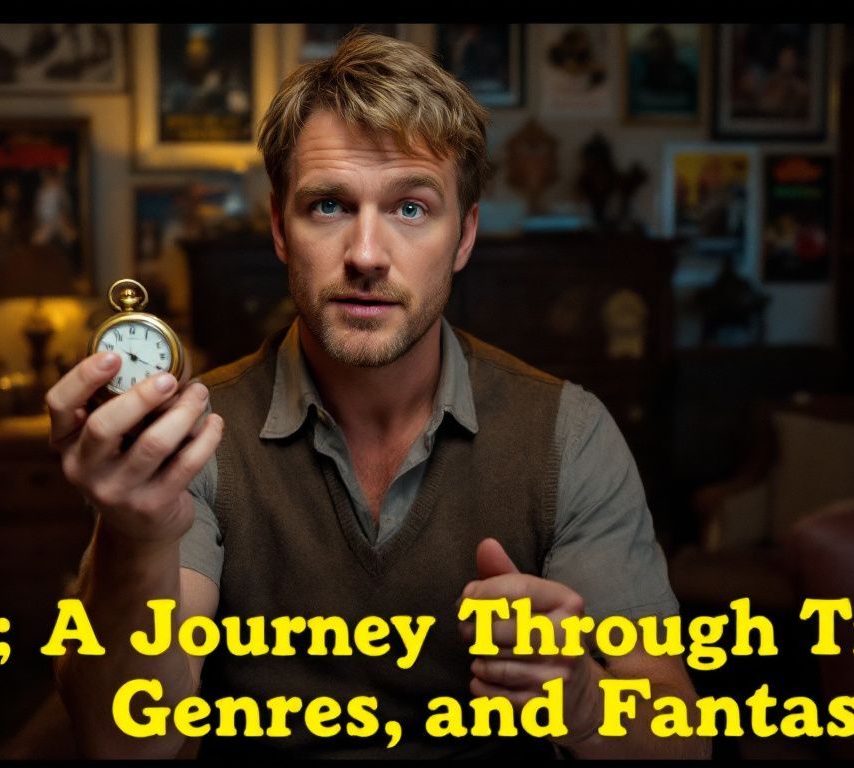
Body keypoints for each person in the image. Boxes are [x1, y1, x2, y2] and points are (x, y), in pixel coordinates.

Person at [46, 32, 706, 759]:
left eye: (412, 209)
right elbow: (123, 744)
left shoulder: (569, 434)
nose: (365, 254)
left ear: (465, 237)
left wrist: (584, 705)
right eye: (328, 206)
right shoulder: (196, 435)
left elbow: (677, 742)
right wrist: (136, 534)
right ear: (278, 228)